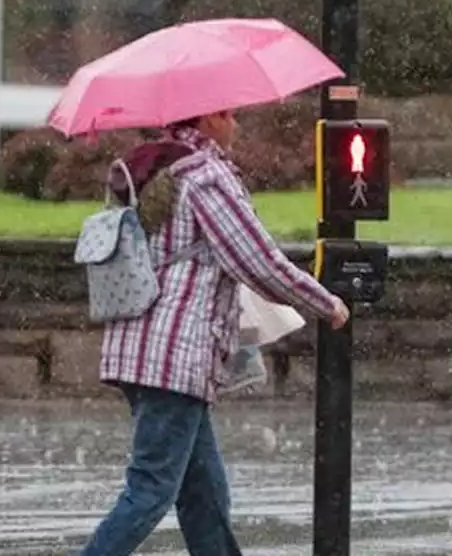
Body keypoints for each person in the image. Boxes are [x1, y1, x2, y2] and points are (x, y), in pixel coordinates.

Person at [82, 111, 349, 556]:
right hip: (174, 354)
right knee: (150, 492)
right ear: (207, 119)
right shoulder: (204, 176)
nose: (236, 124)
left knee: (204, 498)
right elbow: (255, 258)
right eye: (228, 115)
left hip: (137, 346)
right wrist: (325, 302)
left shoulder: (150, 167)